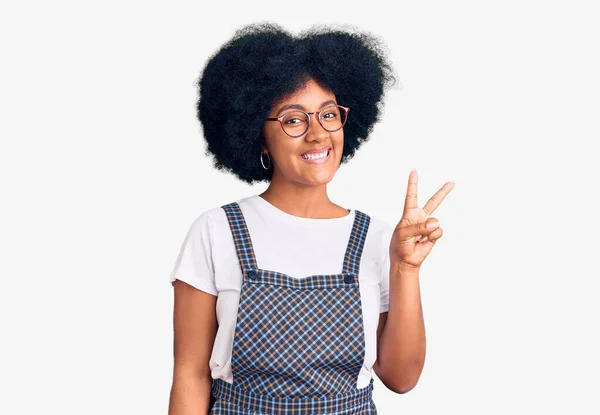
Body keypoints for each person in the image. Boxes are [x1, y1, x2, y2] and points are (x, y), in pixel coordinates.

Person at [167, 22, 454, 415]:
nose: (318, 135)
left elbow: (401, 379)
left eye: (329, 114)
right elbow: (190, 375)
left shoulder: (380, 240)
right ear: (258, 134)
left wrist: (404, 268)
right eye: (293, 119)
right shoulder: (215, 232)